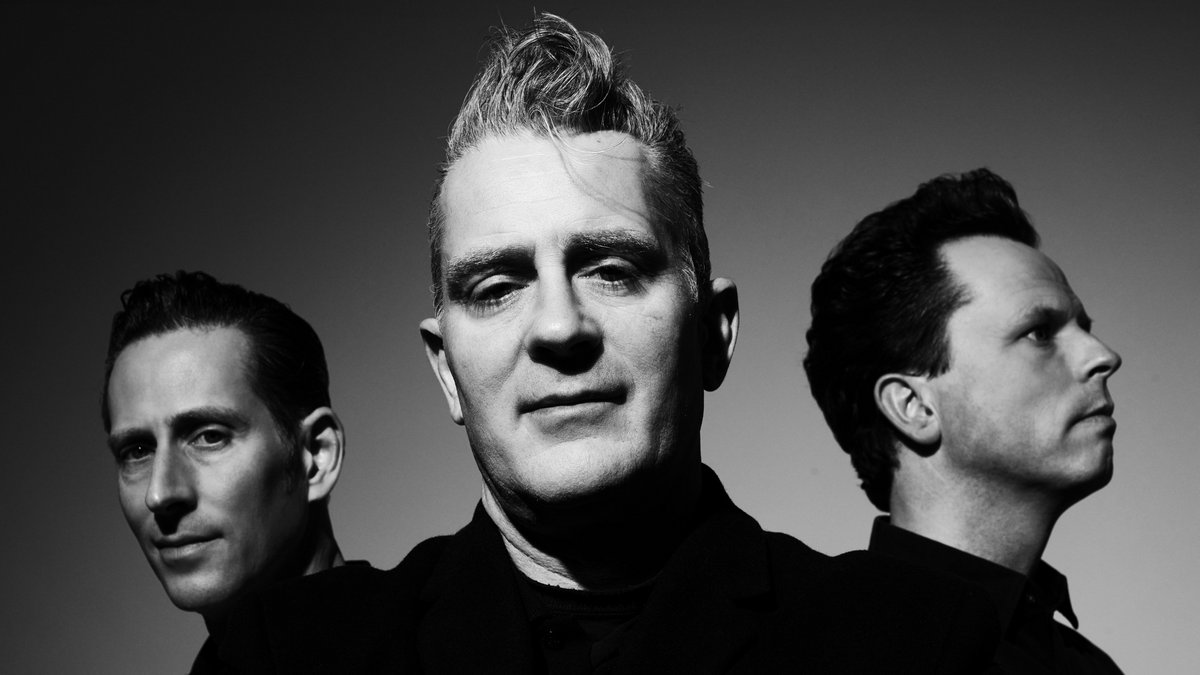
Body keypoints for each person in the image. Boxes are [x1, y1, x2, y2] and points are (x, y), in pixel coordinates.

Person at [399, 13, 996, 673]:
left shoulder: (921, 646)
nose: (559, 328)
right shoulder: (312, 645)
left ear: (714, 331)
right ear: (446, 370)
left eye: (612, 272)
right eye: (497, 288)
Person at [804, 168, 1125, 673]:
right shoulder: (818, 647)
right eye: (1040, 333)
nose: (1103, 356)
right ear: (914, 406)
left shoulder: (1088, 668)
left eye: (1083, 328)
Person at [102, 270, 351, 674]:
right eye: (138, 451)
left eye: (209, 437)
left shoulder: (442, 639)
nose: (159, 494)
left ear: (316, 455)